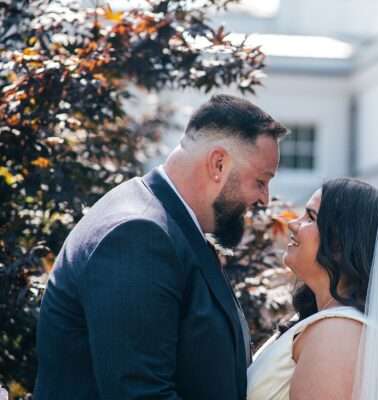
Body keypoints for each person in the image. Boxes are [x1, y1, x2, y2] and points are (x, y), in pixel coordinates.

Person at [34, 94, 287, 399]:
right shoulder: (137, 235)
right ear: (218, 163)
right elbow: (141, 393)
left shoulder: (170, 226)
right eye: (260, 181)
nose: (265, 199)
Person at [247, 178, 378, 400]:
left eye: (310, 217)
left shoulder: (337, 334)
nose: (293, 224)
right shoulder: (328, 323)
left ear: (341, 243)